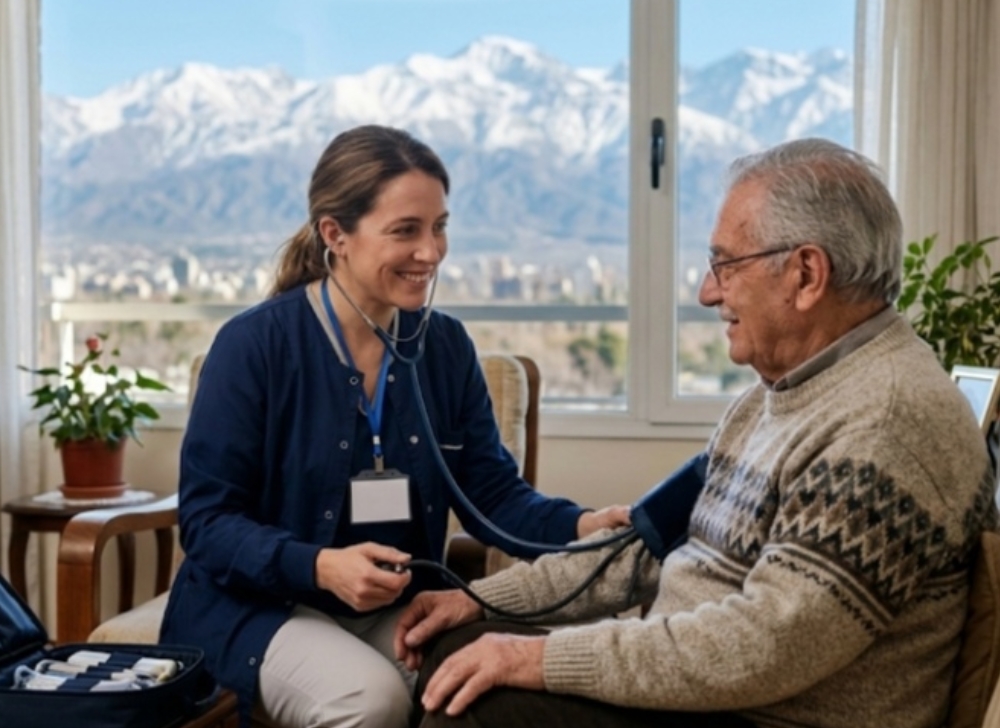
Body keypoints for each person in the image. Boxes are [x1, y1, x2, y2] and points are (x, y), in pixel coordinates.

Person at [394, 138, 999, 728]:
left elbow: (762, 645)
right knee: (461, 646)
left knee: (475, 699)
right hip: (708, 698)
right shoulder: (772, 398)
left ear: (806, 274)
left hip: (761, 712)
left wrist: (537, 658)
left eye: (725, 265)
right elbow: (637, 547)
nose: (709, 292)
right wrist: (485, 601)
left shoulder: (884, 422)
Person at [159, 124, 629, 728]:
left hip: (388, 609)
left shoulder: (446, 347)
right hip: (257, 606)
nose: (430, 253)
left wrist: (583, 524)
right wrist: (319, 566)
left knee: (495, 682)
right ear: (336, 234)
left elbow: (491, 494)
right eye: (406, 231)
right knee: (369, 699)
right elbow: (207, 523)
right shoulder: (254, 347)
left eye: (439, 228)